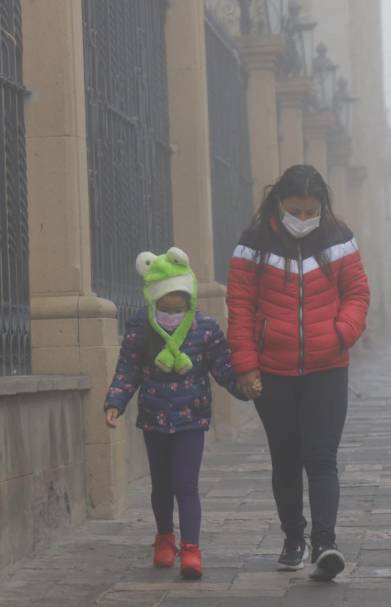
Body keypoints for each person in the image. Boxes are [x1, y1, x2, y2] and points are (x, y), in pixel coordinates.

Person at [226, 164, 370, 582]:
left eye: (311, 211)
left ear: (322, 207)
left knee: (321, 457)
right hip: (273, 373)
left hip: (328, 368)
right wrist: (246, 366)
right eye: (296, 210)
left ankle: (325, 543)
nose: (304, 219)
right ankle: (294, 539)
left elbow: (358, 292)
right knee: (285, 460)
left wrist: (342, 333)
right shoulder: (252, 246)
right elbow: (240, 307)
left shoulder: (339, 241)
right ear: (278, 204)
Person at [105, 247, 247, 580]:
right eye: (167, 299)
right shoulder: (142, 325)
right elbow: (128, 368)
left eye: (180, 298)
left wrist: (244, 387)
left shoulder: (205, 328)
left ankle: (192, 549)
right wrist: (116, 400)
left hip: (191, 419)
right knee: (161, 485)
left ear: (190, 295)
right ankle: (164, 538)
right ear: (154, 297)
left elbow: (223, 367)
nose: (174, 305)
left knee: (186, 484)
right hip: (154, 417)